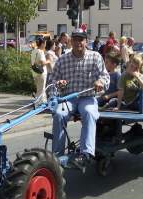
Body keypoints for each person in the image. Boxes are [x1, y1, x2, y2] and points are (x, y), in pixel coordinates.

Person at [50, 28, 110, 166]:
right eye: (75, 39)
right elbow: (52, 81)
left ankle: (86, 153)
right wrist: (57, 83)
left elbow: (105, 76)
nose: (78, 42)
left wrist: (100, 82)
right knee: (58, 114)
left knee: (89, 113)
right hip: (68, 98)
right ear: (71, 41)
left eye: (81, 39)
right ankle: (57, 155)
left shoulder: (95, 56)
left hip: (87, 97)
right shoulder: (62, 59)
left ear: (86, 41)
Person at [31, 37, 50, 103]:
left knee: (38, 89)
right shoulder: (40, 51)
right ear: (42, 44)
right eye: (45, 43)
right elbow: (42, 63)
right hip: (41, 73)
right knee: (42, 90)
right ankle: (40, 104)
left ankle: (38, 103)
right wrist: (48, 61)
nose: (45, 45)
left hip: (34, 72)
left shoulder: (34, 51)